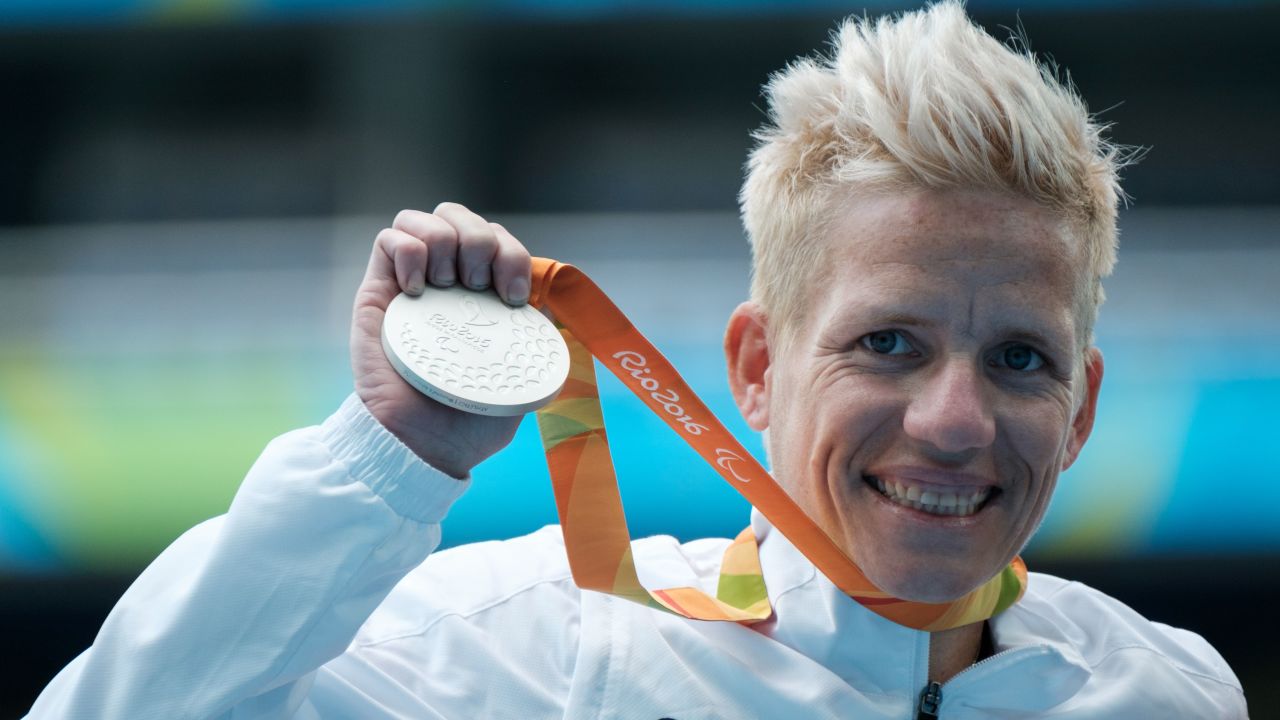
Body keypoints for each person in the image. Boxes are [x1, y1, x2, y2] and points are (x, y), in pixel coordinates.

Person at [26, 2, 1247, 718]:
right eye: (887, 344)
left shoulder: (1165, 691)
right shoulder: (537, 650)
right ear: (756, 367)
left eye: (1020, 361)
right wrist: (385, 465)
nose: (953, 419)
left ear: (1079, 409)